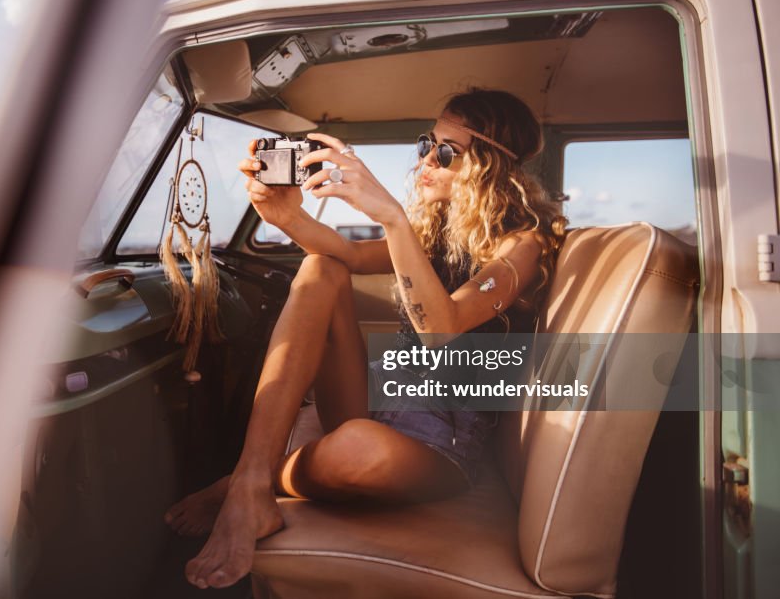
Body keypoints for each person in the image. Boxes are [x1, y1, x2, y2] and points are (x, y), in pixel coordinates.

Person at [164, 88, 567, 589]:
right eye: (426, 144)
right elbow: (345, 258)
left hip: (443, 439)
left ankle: (241, 482)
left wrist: (391, 215)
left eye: (446, 153)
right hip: (379, 394)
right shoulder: (436, 232)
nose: (427, 161)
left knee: (358, 449)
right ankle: (249, 485)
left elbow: (442, 328)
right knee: (319, 268)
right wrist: (286, 216)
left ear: (488, 167)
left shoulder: (521, 244)